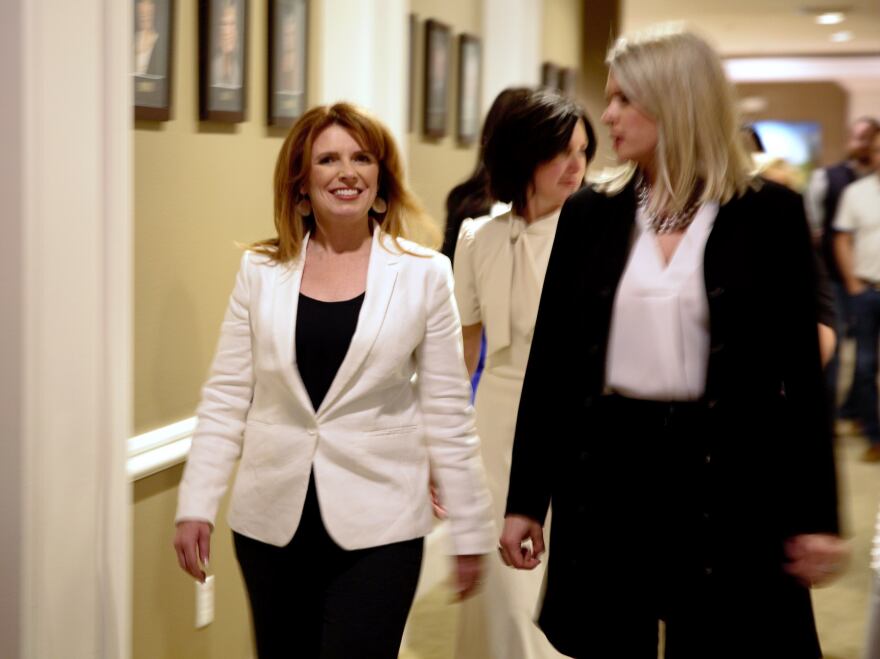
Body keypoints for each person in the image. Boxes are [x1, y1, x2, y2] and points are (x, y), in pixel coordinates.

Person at [499, 27, 847, 659]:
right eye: (609, 98)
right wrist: (526, 499)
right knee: (612, 637)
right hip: (609, 470)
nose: (606, 116)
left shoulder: (769, 214)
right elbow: (551, 365)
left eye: (623, 100)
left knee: (726, 639)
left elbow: (800, 380)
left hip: (729, 470)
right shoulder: (590, 214)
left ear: (676, 100)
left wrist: (818, 513)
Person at [173, 102, 495, 658]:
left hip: (382, 526)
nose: (347, 172)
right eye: (328, 159)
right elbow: (227, 395)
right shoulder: (260, 271)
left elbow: (447, 409)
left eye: (361, 158)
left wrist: (470, 526)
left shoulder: (424, 274)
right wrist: (195, 502)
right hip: (271, 524)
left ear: (381, 177)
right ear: (301, 180)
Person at [453, 89, 596, 659]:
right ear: (521, 155)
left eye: (584, 151)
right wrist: (444, 446)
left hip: (573, 428)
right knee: (500, 590)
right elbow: (462, 355)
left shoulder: (595, 236)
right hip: (493, 425)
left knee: (554, 594)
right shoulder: (477, 238)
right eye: (560, 151)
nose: (575, 165)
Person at [805, 117, 880, 421]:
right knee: (838, 354)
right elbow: (817, 230)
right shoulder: (832, 178)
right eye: (857, 138)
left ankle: (853, 411)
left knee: (864, 358)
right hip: (838, 279)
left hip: (862, 278)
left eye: (868, 140)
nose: (862, 145)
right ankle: (829, 416)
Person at [833, 129, 880, 462]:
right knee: (864, 367)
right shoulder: (856, 192)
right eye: (876, 150)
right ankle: (874, 434)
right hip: (866, 291)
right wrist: (852, 283)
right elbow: (841, 239)